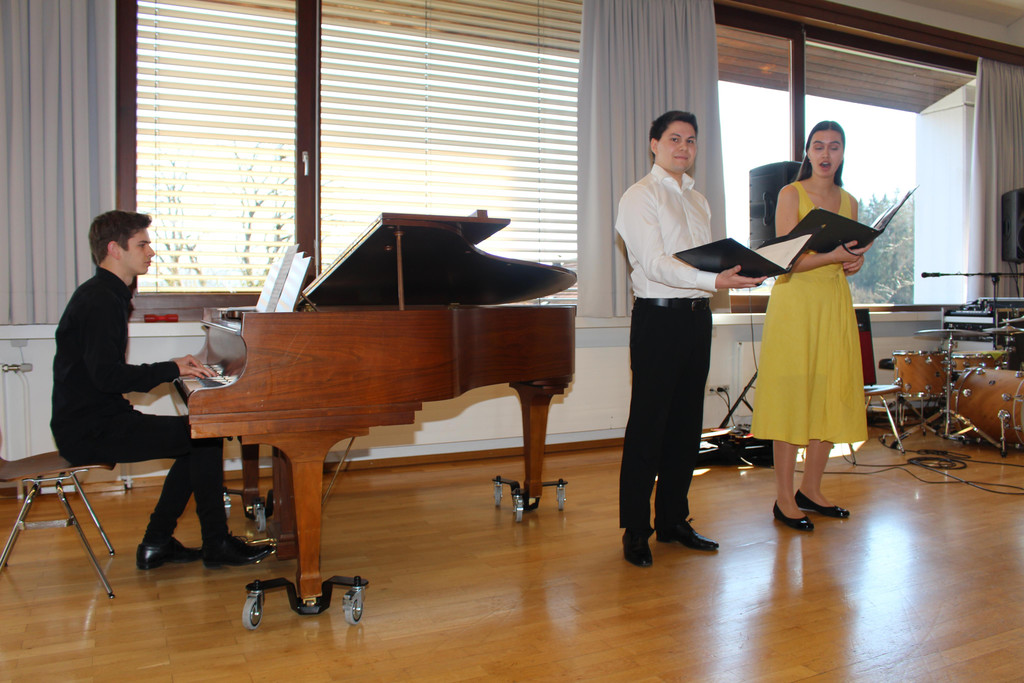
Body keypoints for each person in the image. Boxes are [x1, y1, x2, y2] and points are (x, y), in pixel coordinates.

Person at [51, 210, 272, 569]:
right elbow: (107, 378)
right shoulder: (100, 300)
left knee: (198, 436)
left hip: (93, 420)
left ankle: (158, 543)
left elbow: (102, 376)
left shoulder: (106, 294)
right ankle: (212, 543)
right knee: (203, 436)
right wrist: (171, 369)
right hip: (89, 429)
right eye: (142, 244)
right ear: (115, 249)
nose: (151, 252)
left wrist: (172, 367)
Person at [615, 110, 766, 567]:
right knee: (648, 426)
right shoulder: (639, 196)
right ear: (654, 144)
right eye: (674, 139)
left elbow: (704, 261)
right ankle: (636, 530)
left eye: (691, 140)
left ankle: (673, 520)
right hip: (658, 320)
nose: (684, 147)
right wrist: (716, 280)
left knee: (685, 426)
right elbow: (656, 263)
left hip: (698, 319)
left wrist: (736, 271)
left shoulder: (699, 201)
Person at [751, 120, 869, 531]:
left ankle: (811, 490)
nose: (825, 154)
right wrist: (836, 256)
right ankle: (784, 498)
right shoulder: (791, 193)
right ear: (807, 152)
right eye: (818, 146)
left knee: (829, 393)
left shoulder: (850, 201)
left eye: (834, 146)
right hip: (796, 302)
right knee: (793, 396)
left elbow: (850, 256)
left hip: (834, 300)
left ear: (842, 153)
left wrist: (855, 261)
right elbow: (785, 260)